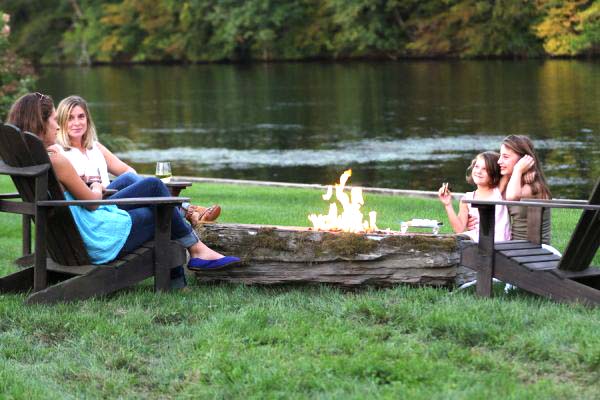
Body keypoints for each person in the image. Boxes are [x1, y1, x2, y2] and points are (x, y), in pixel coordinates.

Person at [7, 92, 240, 288]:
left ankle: (191, 243)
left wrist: (85, 185)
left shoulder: (28, 157)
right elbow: (93, 202)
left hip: (71, 236)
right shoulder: (57, 159)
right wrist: (97, 185)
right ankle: (196, 252)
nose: (57, 126)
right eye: (55, 120)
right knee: (159, 205)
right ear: (42, 122)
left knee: (150, 191)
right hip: (95, 239)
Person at [54, 95, 220, 226]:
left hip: (112, 198)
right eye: (70, 118)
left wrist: (119, 190)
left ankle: (187, 212)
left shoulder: (95, 147)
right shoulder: (60, 152)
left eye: (81, 117)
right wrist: (96, 188)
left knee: (128, 178)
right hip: (95, 205)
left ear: (87, 120)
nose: (76, 122)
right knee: (147, 186)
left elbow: (128, 171)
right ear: (61, 121)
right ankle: (188, 211)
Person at [438, 151, 511, 243]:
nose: (479, 171)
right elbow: (459, 229)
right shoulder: (467, 199)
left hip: (499, 243)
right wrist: (448, 204)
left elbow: (510, 168)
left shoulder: (499, 191)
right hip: (475, 242)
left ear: (494, 173)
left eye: (485, 169)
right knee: (452, 241)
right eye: (477, 166)